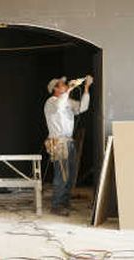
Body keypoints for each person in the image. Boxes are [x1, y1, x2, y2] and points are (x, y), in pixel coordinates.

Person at [44, 75, 93, 216]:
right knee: (62, 175)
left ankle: (65, 203)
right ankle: (56, 206)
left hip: (69, 142)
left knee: (70, 175)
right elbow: (59, 106)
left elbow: (82, 107)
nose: (65, 85)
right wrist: (70, 89)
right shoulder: (51, 102)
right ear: (55, 88)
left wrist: (86, 88)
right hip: (58, 143)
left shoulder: (67, 101)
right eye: (62, 84)